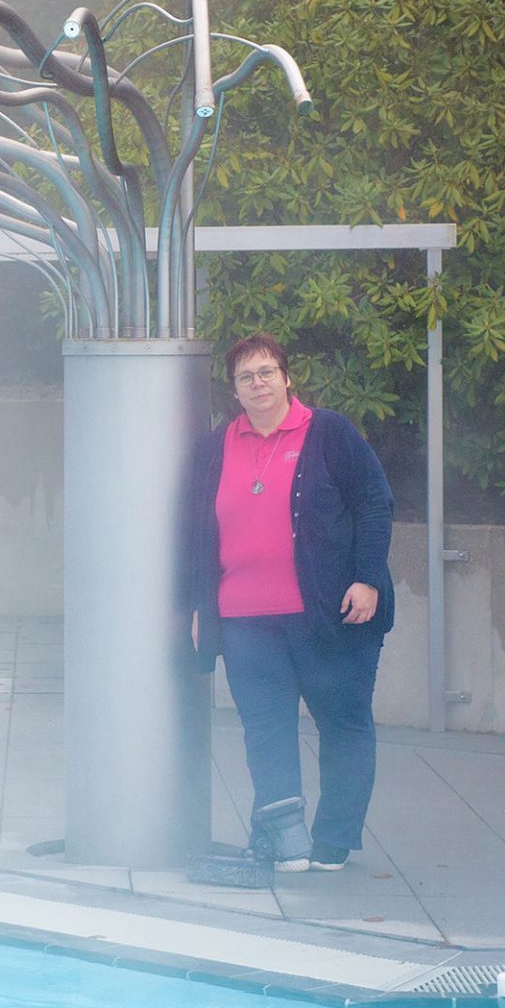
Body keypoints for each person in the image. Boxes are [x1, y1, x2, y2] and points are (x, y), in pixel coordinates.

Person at [181, 332, 393, 873]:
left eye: (267, 372)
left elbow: (375, 502)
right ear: (234, 389)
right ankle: (285, 838)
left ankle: (333, 840)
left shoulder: (329, 432)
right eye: (246, 377)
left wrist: (367, 577)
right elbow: (195, 530)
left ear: (287, 376)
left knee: (343, 724)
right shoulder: (214, 446)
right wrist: (198, 604)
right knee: (265, 731)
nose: (258, 384)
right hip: (246, 619)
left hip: (329, 616)